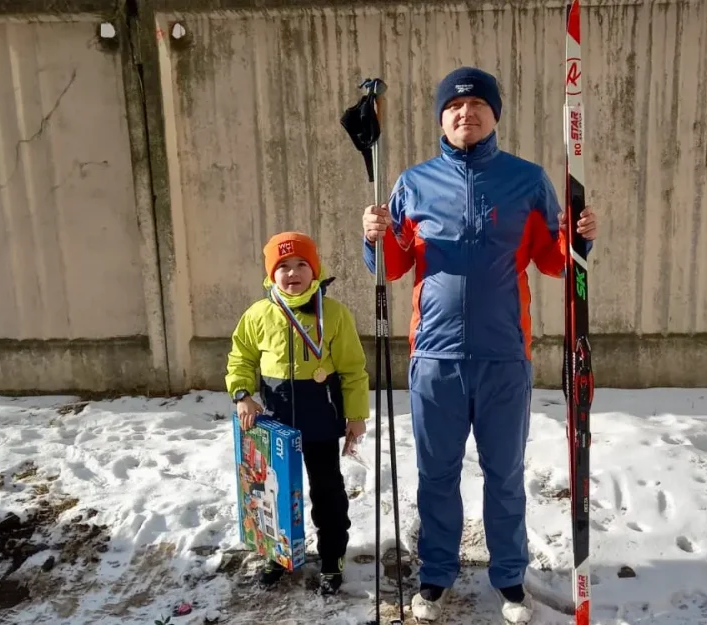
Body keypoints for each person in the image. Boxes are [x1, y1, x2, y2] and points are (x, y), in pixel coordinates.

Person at [360, 66, 598, 624]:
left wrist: (579, 238)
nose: (465, 113)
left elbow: (554, 261)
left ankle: (510, 579)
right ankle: (436, 575)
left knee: (505, 474)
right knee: (436, 476)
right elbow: (392, 267)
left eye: (477, 105)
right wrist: (375, 237)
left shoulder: (527, 180)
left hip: (503, 358)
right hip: (435, 361)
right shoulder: (413, 184)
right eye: (454, 106)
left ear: (495, 114)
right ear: (442, 117)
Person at [225, 231, 370, 596]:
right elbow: (240, 357)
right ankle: (277, 553)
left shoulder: (334, 314)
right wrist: (242, 394)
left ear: (315, 269)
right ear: (271, 274)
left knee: (327, 492)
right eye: (283, 266)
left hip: (320, 421)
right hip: (274, 425)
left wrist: (355, 416)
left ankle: (332, 557)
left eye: (301, 264)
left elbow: (353, 370)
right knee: (272, 494)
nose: (293, 273)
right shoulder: (258, 314)